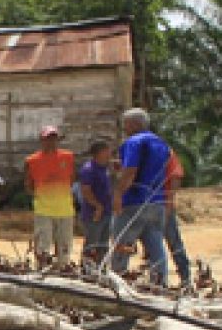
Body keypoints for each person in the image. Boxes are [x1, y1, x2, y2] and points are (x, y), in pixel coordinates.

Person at [110, 108, 172, 285]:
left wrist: (118, 194)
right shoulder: (162, 144)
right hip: (157, 200)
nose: (124, 128)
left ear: (134, 124)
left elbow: (130, 171)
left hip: (134, 201)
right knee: (155, 246)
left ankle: (117, 282)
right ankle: (160, 283)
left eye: (126, 124)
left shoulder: (134, 142)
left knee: (122, 244)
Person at [24, 125, 76, 268]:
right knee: (42, 247)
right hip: (43, 210)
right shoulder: (32, 160)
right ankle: (42, 273)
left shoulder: (68, 157)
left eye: (54, 138)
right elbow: (28, 184)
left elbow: (71, 179)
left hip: (65, 210)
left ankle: (62, 272)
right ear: (41, 140)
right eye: (48, 138)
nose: (51, 142)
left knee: (64, 248)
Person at [78, 139, 113, 264]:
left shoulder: (104, 168)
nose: (110, 153)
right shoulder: (89, 169)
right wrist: (97, 206)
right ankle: (86, 268)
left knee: (103, 245)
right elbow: (85, 190)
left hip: (107, 212)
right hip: (94, 213)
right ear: (100, 152)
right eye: (107, 150)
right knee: (92, 244)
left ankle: (101, 268)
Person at [162, 150, 192, 287]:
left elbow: (176, 175)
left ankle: (185, 277)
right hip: (145, 203)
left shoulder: (166, 152)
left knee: (173, 241)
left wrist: (169, 200)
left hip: (161, 203)